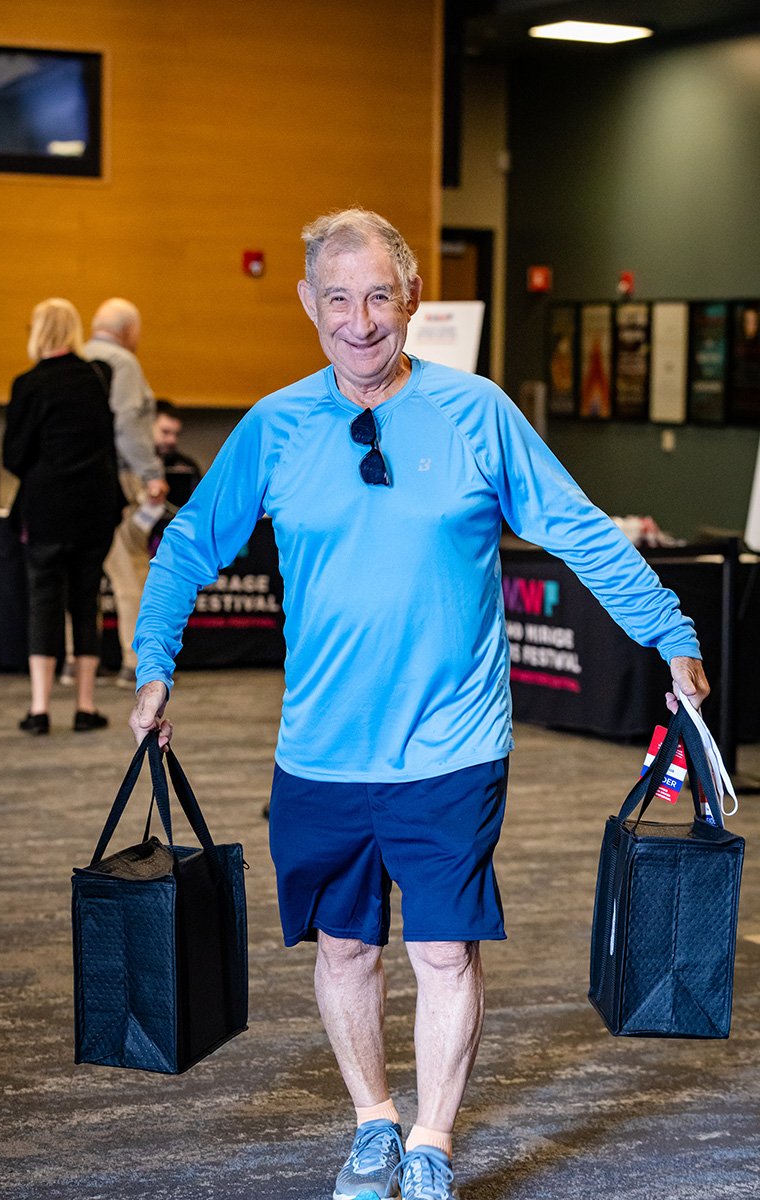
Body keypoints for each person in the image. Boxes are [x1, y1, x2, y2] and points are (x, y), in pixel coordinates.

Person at [128, 209, 709, 1200]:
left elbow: (576, 528)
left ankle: (431, 1139)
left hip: (452, 744)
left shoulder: (474, 413)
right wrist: (154, 660)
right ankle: (371, 1120)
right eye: (338, 299)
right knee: (346, 947)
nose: (359, 321)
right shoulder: (274, 426)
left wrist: (669, 630)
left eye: (379, 298)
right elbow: (186, 547)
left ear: (410, 302)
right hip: (319, 748)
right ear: (309, 303)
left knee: (442, 948)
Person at [2, 297, 121, 734]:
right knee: (85, 600)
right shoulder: (97, 376)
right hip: (94, 509)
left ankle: (40, 708)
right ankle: (85, 707)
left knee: (43, 603)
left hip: (47, 510)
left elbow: (13, 456)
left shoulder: (28, 384)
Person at [85, 298, 167, 689]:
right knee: (129, 571)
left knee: (79, 578)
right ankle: (133, 663)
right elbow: (130, 424)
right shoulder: (124, 363)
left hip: (76, 486)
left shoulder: (76, 358)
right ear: (127, 331)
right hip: (117, 481)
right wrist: (151, 474)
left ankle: (73, 660)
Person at [153, 399, 202, 510]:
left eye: (176, 434)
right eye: (165, 432)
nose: (172, 440)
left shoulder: (187, 466)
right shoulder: (127, 466)